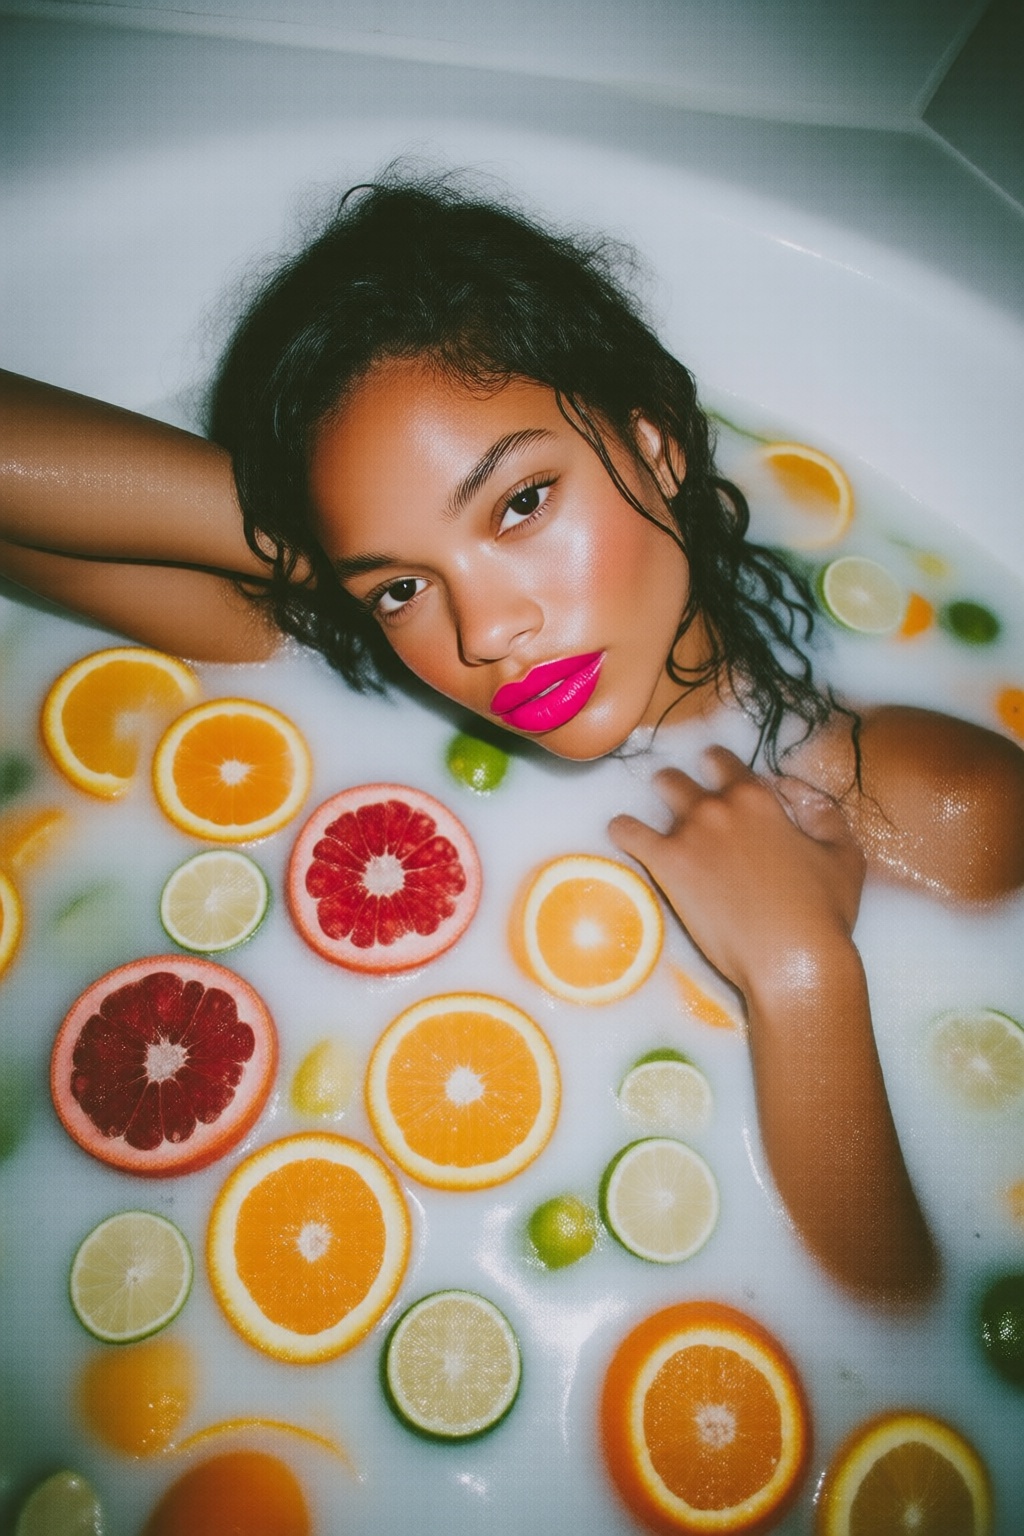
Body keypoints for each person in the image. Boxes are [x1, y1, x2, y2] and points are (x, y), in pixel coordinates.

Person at [3, 176, 1023, 1307]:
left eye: (522, 504)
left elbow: (904, 1316)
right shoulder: (361, 667)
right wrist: (320, 553)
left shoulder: (929, 802)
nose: (485, 633)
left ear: (654, 442)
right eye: (405, 585)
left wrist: (801, 973)